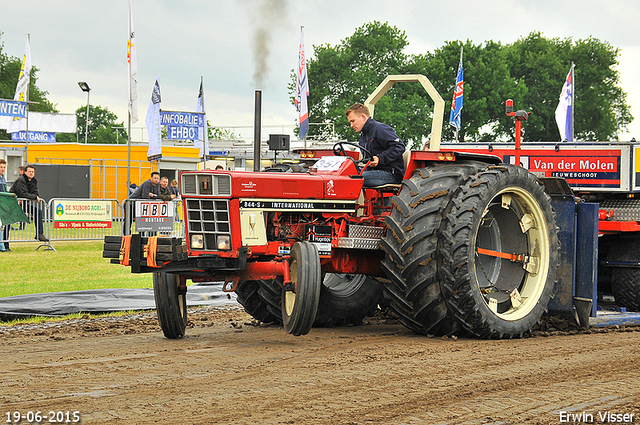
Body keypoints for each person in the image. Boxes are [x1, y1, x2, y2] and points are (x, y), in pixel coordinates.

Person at [345, 103, 405, 187]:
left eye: (353, 121)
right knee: (344, 174)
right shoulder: (364, 135)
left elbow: (399, 146)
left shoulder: (380, 129)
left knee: (351, 179)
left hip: (390, 173)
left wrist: (379, 158)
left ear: (363, 117)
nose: (351, 126)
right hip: (373, 170)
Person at [10, 164, 48, 242]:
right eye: (29, 171)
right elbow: (22, 194)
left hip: (22, 203)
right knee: (8, 220)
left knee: (38, 212)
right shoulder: (20, 180)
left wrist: (34, 196)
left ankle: (39, 234)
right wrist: (34, 197)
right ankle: (4, 244)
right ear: (25, 172)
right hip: (12, 202)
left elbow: (35, 193)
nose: (31, 173)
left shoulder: (34, 181)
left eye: (33, 172)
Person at [0, 159, 10, 251]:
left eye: (4, 167)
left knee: (1, 226)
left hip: (2, 204)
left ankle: (2, 247)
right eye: (1, 167)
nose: (2, 169)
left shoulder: (3, 178)